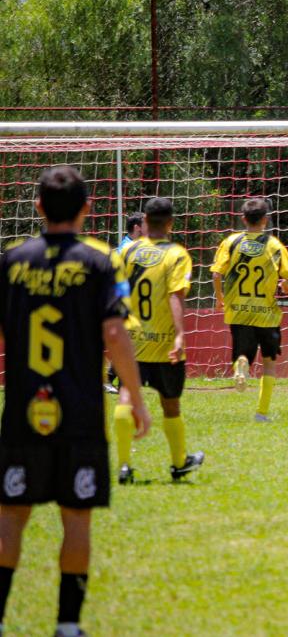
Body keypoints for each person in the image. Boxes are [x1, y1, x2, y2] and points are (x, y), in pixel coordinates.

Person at [0, 166, 150, 637]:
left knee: (10, 517)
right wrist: (136, 397)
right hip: (80, 414)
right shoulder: (101, 262)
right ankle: (67, 625)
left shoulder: (11, 261)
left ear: (39, 207)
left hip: (24, 411)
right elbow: (113, 331)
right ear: (87, 209)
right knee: (76, 519)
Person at [116, 197, 204, 482]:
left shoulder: (126, 253)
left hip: (132, 340)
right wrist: (179, 334)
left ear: (143, 224)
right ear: (170, 223)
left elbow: (113, 294)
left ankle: (124, 465)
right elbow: (175, 295)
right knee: (171, 404)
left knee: (125, 397)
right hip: (164, 342)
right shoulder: (176, 254)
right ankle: (179, 463)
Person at [211, 198, 288, 421]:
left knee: (242, 353)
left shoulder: (231, 242)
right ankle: (261, 413)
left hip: (238, 311)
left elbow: (216, 274)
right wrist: (287, 286)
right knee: (269, 362)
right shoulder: (274, 245)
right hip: (266, 314)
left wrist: (220, 299)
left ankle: (241, 364)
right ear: (265, 220)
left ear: (243, 218)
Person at [105, 212, 146, 395]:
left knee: (132, 340)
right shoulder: (127, 249)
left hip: (134, 301)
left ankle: (111, 377)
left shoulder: (134, 246)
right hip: (126, 302)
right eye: (146, 224)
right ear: (137, 227)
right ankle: (116, 379)